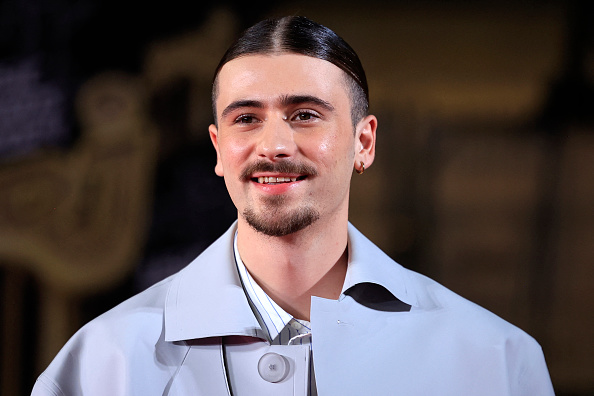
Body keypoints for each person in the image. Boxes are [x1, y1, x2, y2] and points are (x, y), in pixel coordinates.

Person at [32, 16, 554, 396]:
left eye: (305, 115)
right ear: (217, 148)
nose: (274, 145)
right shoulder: (102, 364)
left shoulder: (494, 362)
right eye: (246, 118)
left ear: (364, 143)